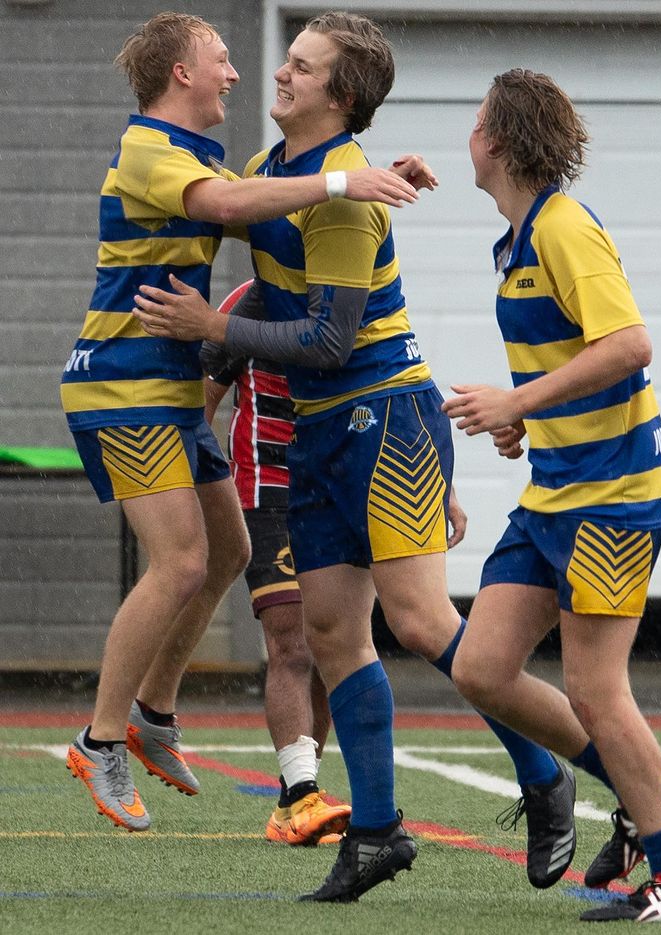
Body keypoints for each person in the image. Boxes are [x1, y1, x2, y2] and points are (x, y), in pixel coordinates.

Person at [133, 12, 587, 902]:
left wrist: (211, 327)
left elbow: (329, 339)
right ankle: (377, 834)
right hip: (321, 430)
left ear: (339, 95)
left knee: (420, 623)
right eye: (289, 59)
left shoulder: (341, 196)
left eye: (301, 67)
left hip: (384, 418)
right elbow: (251, 242)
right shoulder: (279, 170)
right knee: (333, 634)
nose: (279, 73)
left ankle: (550, 774)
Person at [59, 11, 422, 834]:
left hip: (166, 386)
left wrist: (367, 172)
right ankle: (99, 739)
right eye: (221, 60)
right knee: (181, 560)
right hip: (123, 384)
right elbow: (233, 202)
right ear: (180, 73)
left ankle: (154, 712)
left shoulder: (196, 153)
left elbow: (266, 211)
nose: (237, 74)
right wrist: (343, 182)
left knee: (228, 550)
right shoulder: (150, 149)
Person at [442, 69, 661, 923]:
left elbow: (630, 344)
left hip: (615, 497)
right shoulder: (514, 243)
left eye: (476, 121)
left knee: (595, 689)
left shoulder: (564, 228)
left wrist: (517, 401)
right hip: (557, 492)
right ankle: (647, 787)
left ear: (498, 140)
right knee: (482, 666)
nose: (468, 135)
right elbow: (571, 360)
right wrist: (524, 420)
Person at [204, 281, 350, 846]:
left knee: (332, 646)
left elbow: (397, 386)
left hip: (336, 486)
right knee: (291, 642)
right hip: (268, 486)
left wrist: (444, 484)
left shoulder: (356, 295)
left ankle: (298, 794)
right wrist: (198, 494)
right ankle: (301, 794)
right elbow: (200, 403)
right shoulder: (253, 300)